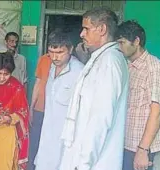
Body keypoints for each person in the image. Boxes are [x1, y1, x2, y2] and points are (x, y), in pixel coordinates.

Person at [59, 7, 129, 170]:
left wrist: (84, 163)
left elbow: (100, 118)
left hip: (93, 162)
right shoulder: (102, 58)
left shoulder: (109, 62)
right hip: (85, 158)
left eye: (86, 29)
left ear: (102, 29)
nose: (82, 34)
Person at [115, 20, 160, 170]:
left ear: (136, 41)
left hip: (145, 149)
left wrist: (143, 150)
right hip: (127, 144)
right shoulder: (128, 67)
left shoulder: (154, 67)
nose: (119, 47)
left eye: (122, 43)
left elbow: (157, 111)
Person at [34, 31, 84, 170]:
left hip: (66, 140)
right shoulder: (51, 67)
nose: (54, 57)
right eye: (51, 52)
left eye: (60, 52)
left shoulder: (79, 73)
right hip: (48, 134)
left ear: (71, 49)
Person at [27, 53, 52, 170]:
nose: (55, 56)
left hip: (56, 113)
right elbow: (38, 83)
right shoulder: (44, 59)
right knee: (34, 143)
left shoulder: (74, 64)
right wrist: (31, 108)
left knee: (50, 144)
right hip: (39, 109)